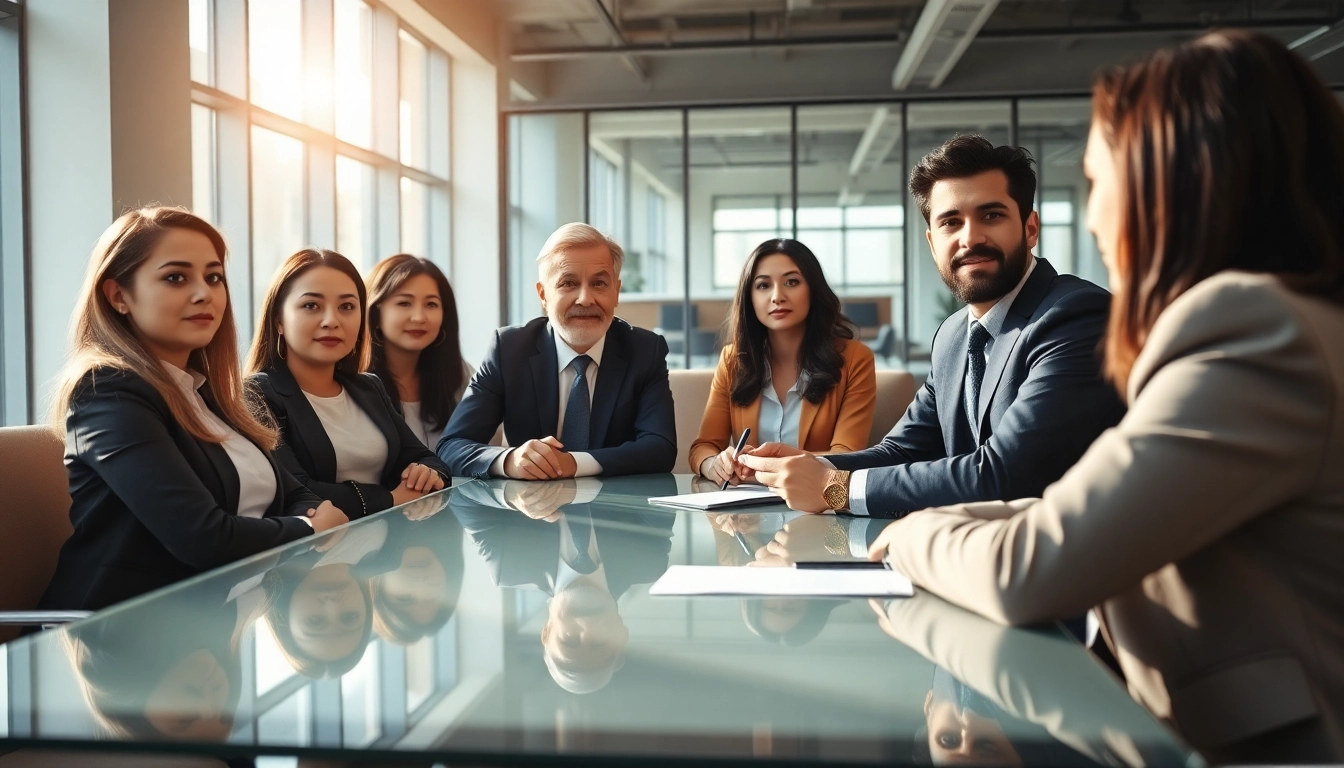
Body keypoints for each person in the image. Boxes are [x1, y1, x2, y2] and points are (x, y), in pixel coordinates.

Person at [868, 30, 1344, 764]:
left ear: (1173, 183)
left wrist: (908, 536)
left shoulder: (1251, 332)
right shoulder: (1278, 318)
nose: (1092, 220)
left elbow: (1031, 568)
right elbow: (1082, 512)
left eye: (1098, 183)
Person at [739, 136, 1124, 518]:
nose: (970, 238)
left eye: (991, 215)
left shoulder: (1075, 317)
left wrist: (833, 487)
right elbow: (904, 450)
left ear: (1030, 228)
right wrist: (808, 466)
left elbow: (1007, 474)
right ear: (932, 242)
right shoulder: (954, 335)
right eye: (951, 222)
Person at [39, 208, 346, 613]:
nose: (204, 294)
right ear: (118, 296)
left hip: (217, 616)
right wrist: (308, 528)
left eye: (213, 277)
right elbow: (203, 539)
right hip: (119, 629)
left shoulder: (204, 393)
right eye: (176, 278)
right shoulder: (107, 392)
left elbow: (292, 492)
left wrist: (307, 515)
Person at [437, 223, 677, 479]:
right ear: (543, 294)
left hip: (620, 501)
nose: (585, 299)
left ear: (616, 292)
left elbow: (660, 449)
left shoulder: (645, 351)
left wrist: (573, 463)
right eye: (568, 283)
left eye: (599, 283)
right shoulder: (509, 350)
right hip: (531, 502)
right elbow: (452, 447)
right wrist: (509, 460)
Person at [247, 249, 451, 519]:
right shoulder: (257, 394)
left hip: (390, 539)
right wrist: (391, 499)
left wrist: (428, 474)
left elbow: (427, 458)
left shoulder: (368, 387)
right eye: (311, 305)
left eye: (346, 307)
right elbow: (294, 490)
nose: (331, 321)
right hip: (317, 543)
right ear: (278, 320)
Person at [689, 238, 877, 486]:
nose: (777, 296)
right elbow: (704, 447)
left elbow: (846, 456)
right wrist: (714, 464)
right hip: (746, 505)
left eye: (792, 282)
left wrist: (772, 466)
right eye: (763, 285)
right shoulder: (733, 361)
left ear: (813, 290)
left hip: (816, 501)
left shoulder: (855, 359)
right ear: (750, 298)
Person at [366, 254, 474, 450]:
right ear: (375, 312)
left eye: (431, 304)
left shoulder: (461, 376)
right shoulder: (352, 384)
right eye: (404, 303)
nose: (419, 317)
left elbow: (486, 449)